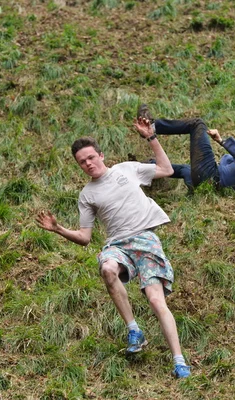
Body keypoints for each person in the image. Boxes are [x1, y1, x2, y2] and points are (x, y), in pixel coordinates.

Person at [35, 116, 191, 379]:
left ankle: (179, 360)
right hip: (117, 243)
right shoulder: (87, 195)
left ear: (101, 155)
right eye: (82, 162)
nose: (88, 164)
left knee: (155, 299)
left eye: (91, 157)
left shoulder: (126, 170)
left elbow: (166, 169)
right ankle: (134, 330)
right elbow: (85, 237)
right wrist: (58, 229)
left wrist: (151, 138)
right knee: (107, 268)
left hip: (144, 238)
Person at [137, 104, 235, 191]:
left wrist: (221, 140)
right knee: (185, 169)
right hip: (209, 186)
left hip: (211, 176)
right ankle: (147, 167)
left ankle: (152, 127)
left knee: (197, 124)